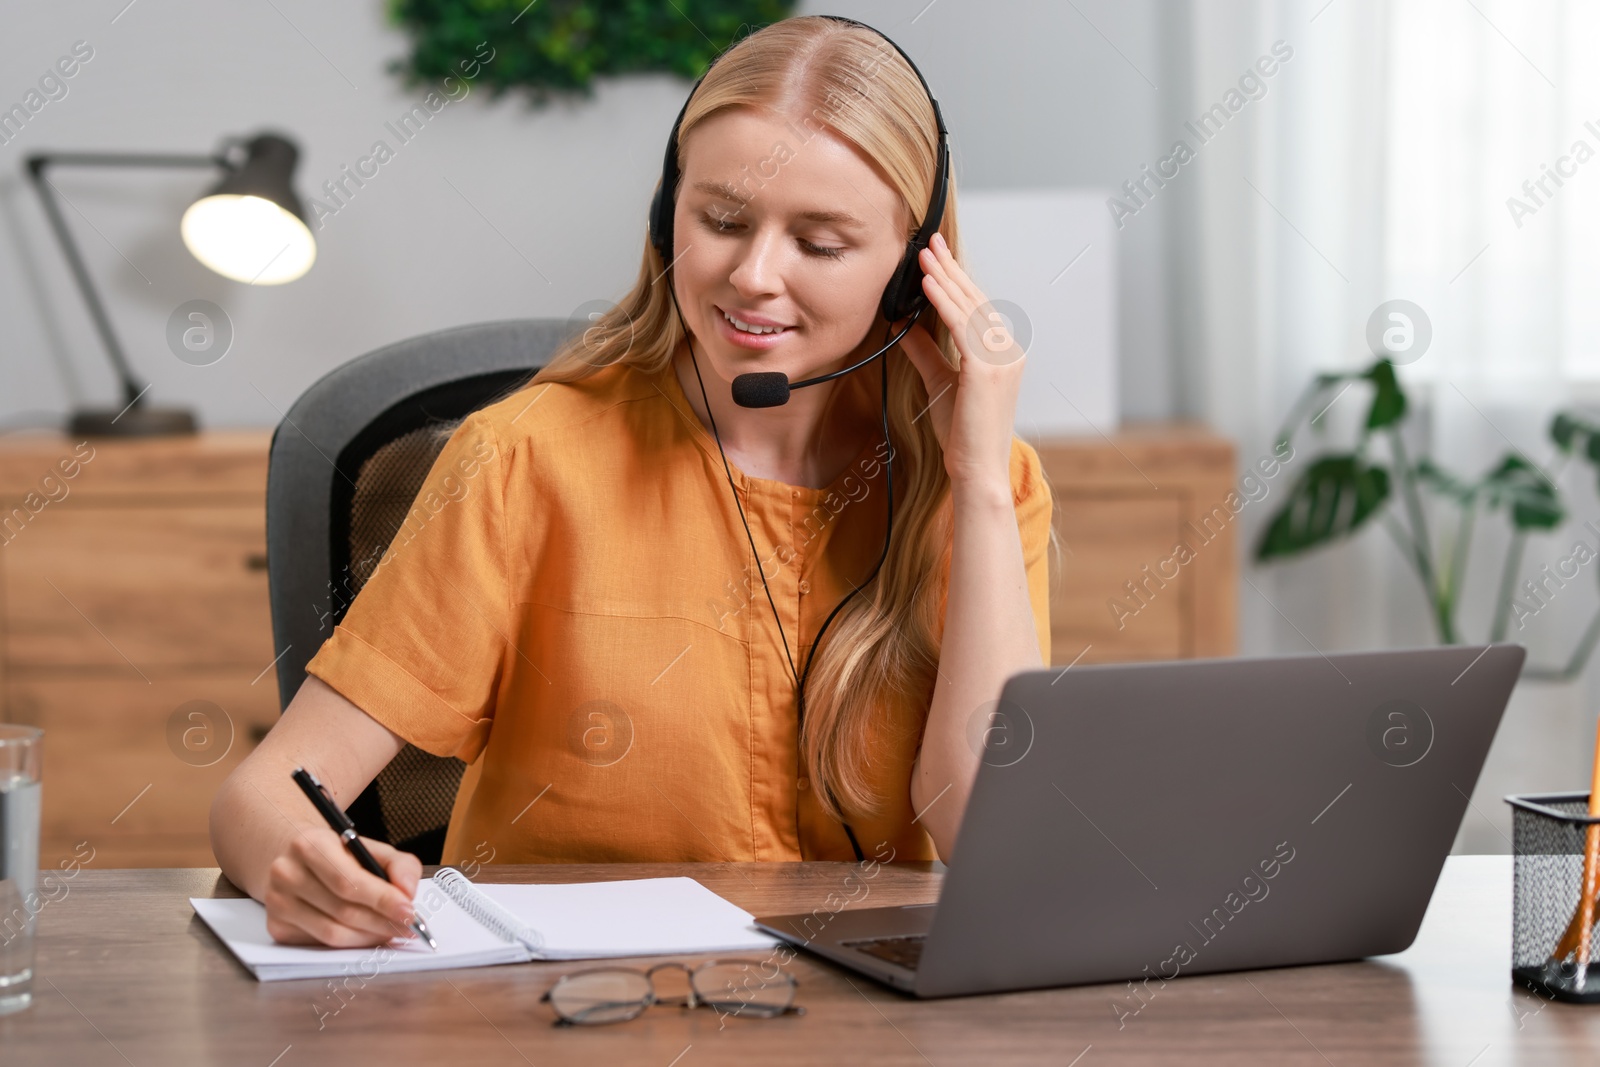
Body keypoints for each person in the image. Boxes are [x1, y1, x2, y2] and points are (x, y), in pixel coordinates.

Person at [210, 15, 1056, 949]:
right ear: (666, 217)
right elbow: (263, 798)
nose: (753, 275)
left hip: (861, 1022)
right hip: (563, 1013)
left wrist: (975, 482)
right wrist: (303, 867)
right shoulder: (527, 460)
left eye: (820, 243)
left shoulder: (979, 483)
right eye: (723, 221)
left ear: (914, 273)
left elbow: (989, 835)